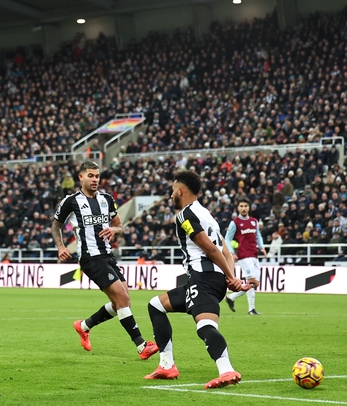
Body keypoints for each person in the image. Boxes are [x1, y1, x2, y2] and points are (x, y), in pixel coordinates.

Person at [144, 170, 247, 389]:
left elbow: (210, 249)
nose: (171, 195)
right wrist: (229, 278)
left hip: (203, 279)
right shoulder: (207, 214)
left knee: (205, 326)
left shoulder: (185, 215)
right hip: (210, 280)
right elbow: (227, 253)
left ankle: (226, 370)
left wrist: (231, 277)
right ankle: (166, 364)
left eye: (173, 190)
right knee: (155, 305)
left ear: (181, 191)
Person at [51, 161, 158, 360]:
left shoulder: (106, 199)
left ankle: (84, 326)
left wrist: (114, 229)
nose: (95, 180)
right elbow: (56, 225)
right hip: (90, 258)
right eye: (90, 175)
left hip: (107, 255)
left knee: (123, 302)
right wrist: (61, 246)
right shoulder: (71, 201)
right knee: (122, 299)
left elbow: (119, 225)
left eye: (97, 176)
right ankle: (141, 346)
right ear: (81, 177)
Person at [224, 199, 267, 315]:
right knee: (252, 280)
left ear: (249, 207)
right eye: (241, 206)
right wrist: (232, 252)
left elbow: (258, 236)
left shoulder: (254, 221)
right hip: (243, 256)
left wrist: (262, 248)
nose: (243, 208)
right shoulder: (235, 223)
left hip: (254, 255)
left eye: (245, 206)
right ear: (238, 208)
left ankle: (231, 297)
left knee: (254, 283)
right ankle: (251, 309)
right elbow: (227, 238)